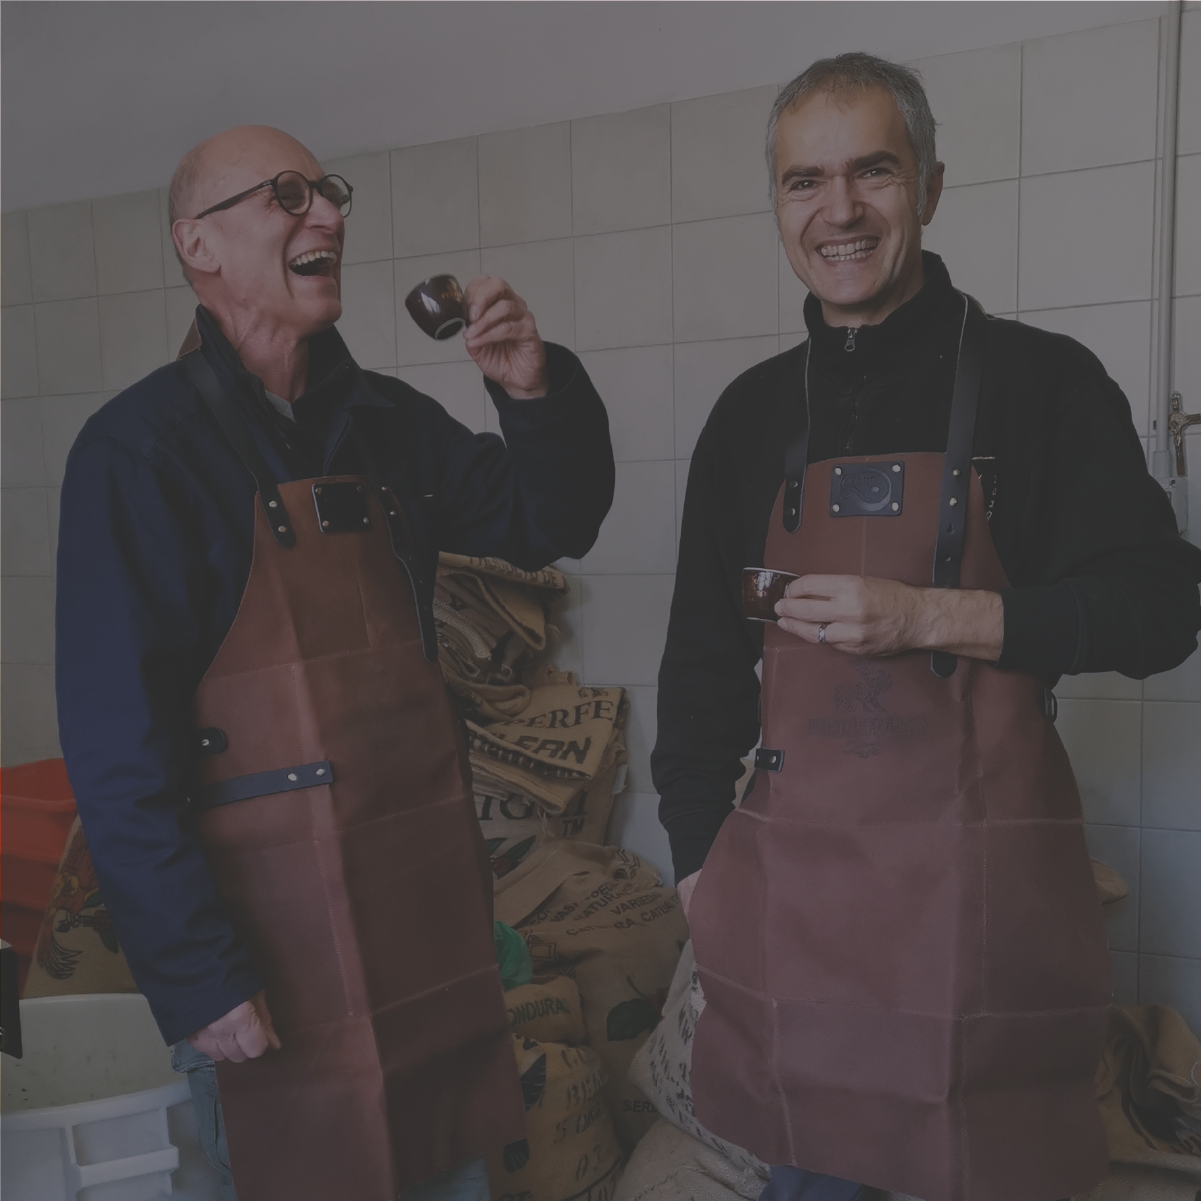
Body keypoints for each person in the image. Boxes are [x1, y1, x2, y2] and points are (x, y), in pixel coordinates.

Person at [652, 53, 1201, 1201]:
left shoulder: (1044, 385)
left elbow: (1165, 605)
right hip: (802, 917)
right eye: (804, 181)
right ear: (778, 205)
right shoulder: (748, 418)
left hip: (982, 912)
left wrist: (933, 613)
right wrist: (697, 860)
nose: (839, 210)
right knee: (815, 1176)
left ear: (930, 187)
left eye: (873, 172)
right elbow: (701, 666)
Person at [55, 124, 614, 1201]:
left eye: (327, 192)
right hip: (266, 955)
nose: (328, 214)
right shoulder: (139, 454)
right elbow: (117, 753)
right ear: (198, 246)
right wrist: (199, 977)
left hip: (422, 920)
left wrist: (532, 392)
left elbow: (552, 519)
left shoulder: (387, 424)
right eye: (285, 194)